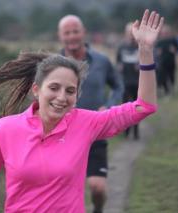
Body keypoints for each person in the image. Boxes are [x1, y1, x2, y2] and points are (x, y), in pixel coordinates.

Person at [0, 10, 163, 213]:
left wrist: (145, 51)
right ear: (36, 90)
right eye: (53, 88)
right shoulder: (5, 129)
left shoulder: (87, 123)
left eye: (70, 91)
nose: (61, 97)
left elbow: (144, 106)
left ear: (77, 96)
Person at [57, 15, 124, 213]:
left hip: (95, 133)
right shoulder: (53, 65)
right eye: (67, 33)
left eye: (75, 31)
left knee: (97, 187)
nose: (72, 36)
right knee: (63, 194)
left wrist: (110, 106)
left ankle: (97, 209)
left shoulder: (102, 61)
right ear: (60, 36)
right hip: (62, 136)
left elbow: (118, 86)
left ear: (83, 32)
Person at [116, 22, 140, 140]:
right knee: (125, 109)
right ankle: (126, 133)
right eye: (129, 32)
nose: (131, 35)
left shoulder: (141, 47)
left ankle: (136, 132)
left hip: (138, 83)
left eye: (133, 32)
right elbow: (118, 62)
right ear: (125, 33)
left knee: (137, 109)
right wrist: (119, 67)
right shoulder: (121, 47)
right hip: (125, 82)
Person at [155, 25, 178, 95]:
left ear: (169, 33)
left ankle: (172, 88)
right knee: (163, 76)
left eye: (166, 32)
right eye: (163, 32)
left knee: (171, 75)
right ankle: (166, 91)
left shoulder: (173, 40)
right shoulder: (160, 41)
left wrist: (174, 50)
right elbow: (156, 50)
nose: (164, 34)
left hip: (171, 61)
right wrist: (158, 52)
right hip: (162, 62)